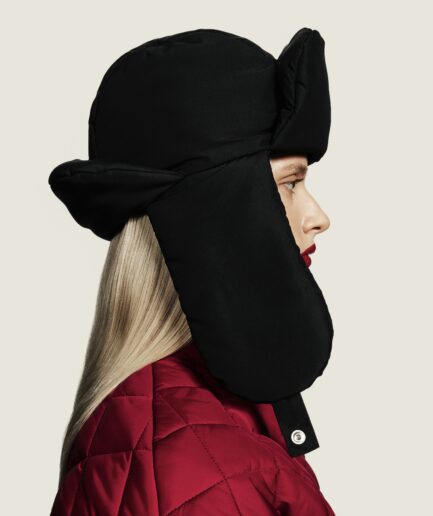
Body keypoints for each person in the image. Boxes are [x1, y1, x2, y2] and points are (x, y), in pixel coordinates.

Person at [48, 28, 335, 515]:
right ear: (212, 214)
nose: (318, 217)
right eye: (289, 184)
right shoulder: (203, 459)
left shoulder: (193, 423)